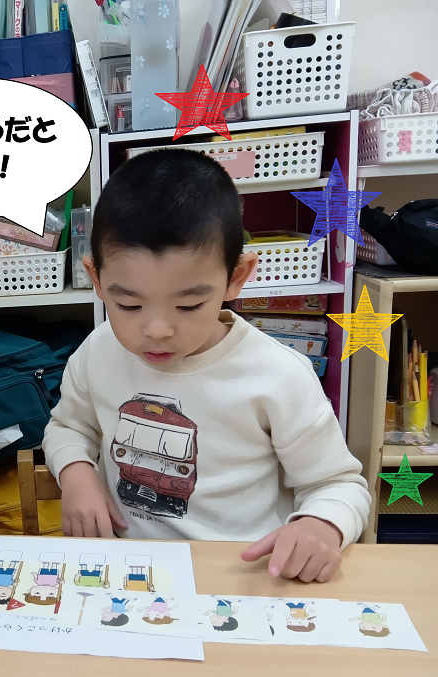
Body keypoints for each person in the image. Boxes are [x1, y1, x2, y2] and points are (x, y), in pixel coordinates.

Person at [43, 149, 371, 584]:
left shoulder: (279, 375)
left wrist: (322, 525)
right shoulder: (98, 351)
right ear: (97, 279)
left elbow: (339, 484)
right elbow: (68, 427)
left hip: (241, 577)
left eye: (188, 305)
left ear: (237, 277)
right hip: (127, 571)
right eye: (129, 305)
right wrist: (76, 473)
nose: (157, 330)